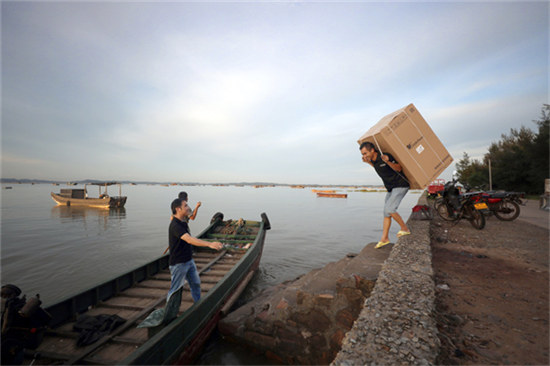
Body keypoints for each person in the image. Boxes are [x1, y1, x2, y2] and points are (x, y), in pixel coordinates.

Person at [167, 198, 222, 302]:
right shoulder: (175, 225)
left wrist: (197, 207)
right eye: (186, 206)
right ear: (178, 209)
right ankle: (169, 315)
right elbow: (189, 239)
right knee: (175, 291)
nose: (188, 207)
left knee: (196, 283)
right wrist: (210, 244)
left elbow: (191, 218)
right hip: (179, 264)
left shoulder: (182, 221)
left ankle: (198, 303)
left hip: (189, 260)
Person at [360, 141, 411, 248]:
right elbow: (377, 167)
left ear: (372, 150)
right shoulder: (373, 161)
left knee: (390, 210)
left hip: (401, 185)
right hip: (391, 188)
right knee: (386, 214)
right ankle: (384, 238)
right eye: (362, 154)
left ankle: (404, 229)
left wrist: (388, 162)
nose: (363, 156)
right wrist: (368, 162)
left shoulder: (385, 156)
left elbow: (399, 168)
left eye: (365, 153)